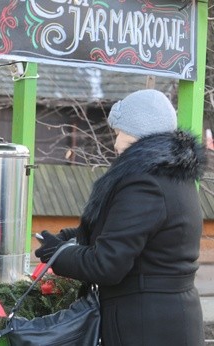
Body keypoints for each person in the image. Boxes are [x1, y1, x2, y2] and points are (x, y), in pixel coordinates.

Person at [35, 89, 206, 345]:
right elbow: (128, 232)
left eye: (118, 133)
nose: (115, 144)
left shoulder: (145, 183)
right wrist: (73, 236)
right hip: (168, 320)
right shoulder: (171, 176)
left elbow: (107, 265)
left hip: (145, 326)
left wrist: (58, 255)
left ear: (139, 132)